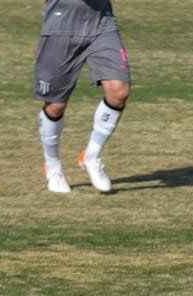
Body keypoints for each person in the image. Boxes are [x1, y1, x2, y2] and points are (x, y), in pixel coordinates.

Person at [35, 0, 131, 193]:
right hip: (60, 28)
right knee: (55, 106)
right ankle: (52, 165)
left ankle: (91, 156)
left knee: (119, 91)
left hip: (101, 25)